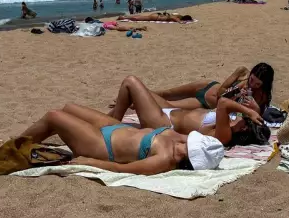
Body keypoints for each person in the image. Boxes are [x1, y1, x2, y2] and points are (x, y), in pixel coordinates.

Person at [16, 95, 225, 175]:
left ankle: (15, 147)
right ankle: (35, 138)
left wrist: (90, 162)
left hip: (102, 145)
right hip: (116, 128)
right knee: (69, 108)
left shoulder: (164, 160)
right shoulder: (181, 138)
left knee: (54, 116)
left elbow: (122, 169)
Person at [109, 76, 269, 147]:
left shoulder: (224, 136)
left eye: (247, 121)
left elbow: (223, 104)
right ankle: (107, 119)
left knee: (130, 82)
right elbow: (227, 102)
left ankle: (110, 127)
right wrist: (254, 110)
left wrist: (250, 113)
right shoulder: (233, 121)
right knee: (136, 94)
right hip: (170, 110)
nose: (245, 119)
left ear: (244, 128)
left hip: (162, 122)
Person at [151, 63, 275, 115]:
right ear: (251, 73)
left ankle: (141, 101)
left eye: (257, 84)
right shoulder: (242, 72)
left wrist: (252, 106)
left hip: (206, 104)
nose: (253, 84)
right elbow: (221, 91)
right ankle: (141, 92)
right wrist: (236, 91)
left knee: (168, 105)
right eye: (251, 80)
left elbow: (255, 115)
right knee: (166, 93)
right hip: (206, 86)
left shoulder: (261, 96)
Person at [117, 12, 194, 23]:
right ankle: (124, 18)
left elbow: (172, 16)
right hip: (156, 17)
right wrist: (180, 22)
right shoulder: (177, 17)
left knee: (141, 17)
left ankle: (124, 17)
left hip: (157, 15)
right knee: (139, 18)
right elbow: (173, 17)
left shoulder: (178, 15)